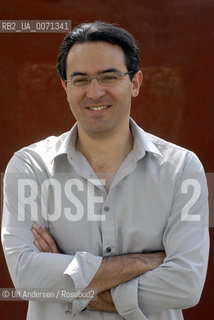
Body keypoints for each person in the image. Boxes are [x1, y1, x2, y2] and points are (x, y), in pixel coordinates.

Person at [1, 21, 209, 320]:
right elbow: (26, 278)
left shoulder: (181, 168)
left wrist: (67, 281)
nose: (95, 92)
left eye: (109, 76)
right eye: (80, 80)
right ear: (65, 88)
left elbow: (186, 286)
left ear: (135, 83)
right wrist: (143, 262)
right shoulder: (30, 167)